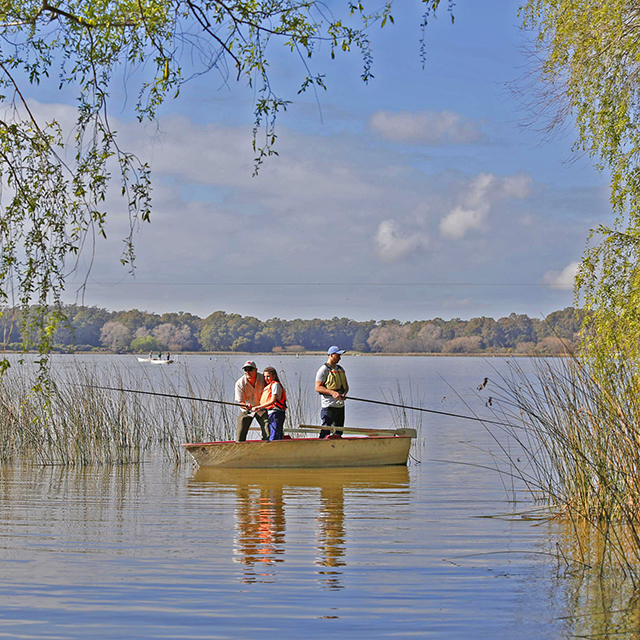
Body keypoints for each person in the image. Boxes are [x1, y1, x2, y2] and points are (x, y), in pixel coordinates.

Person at [315, 346, 349, 438]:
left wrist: (344, 394)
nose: (339, 358)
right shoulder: (323, 370)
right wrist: (332, 393)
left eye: (340, 355)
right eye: (337, 355)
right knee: (326, 429)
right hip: (328, 406)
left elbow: (346, 387)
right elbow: (317, 388)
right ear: (331, 355)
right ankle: (321, 447)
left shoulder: (341, 369)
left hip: (340, 406)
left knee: (339, 431)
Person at [234, 361, 268, 442]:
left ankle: (266, 449)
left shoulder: (263, 379)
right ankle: (240, 451)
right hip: (247, 409)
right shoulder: (239, 383)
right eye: (245, 370)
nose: (248, 372)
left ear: (256, 370)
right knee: (240, 436)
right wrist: (245, 406)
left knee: (268, 433)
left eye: (250, 369)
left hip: (262, 408)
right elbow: (241, 402)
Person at [251, 366, 287, 441]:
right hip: (271, 413)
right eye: (264, 377)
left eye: (268, 376)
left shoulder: (275, 385)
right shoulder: (269, 386)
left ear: (274, 376)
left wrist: (259, 407)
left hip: (276, 413)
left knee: (275, 435)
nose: (266, 379)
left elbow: (273, 401)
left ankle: (275, 450)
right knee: (273, 433)